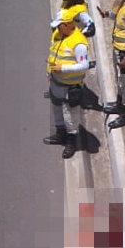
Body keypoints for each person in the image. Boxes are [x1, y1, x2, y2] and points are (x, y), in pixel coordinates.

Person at [43, 8, 91, 159]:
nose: (57, 28)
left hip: (71, 86)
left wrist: (62, 68)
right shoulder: (58, 34)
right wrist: (49, 73)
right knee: (56, 108)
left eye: (60, 25)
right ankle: (60, 134)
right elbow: (52, 54)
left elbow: (84, 65)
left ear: (68, 24)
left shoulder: (79, 43)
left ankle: (71, 142)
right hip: (56, 82)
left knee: (70, 115)